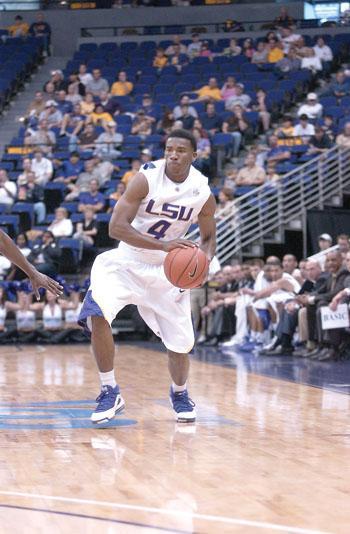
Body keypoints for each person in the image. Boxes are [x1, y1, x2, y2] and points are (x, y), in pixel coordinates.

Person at [78, 129, 216, 424]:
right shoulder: (146, 178)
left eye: (181, 150)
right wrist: (163, 245)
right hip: (127, 260)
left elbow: (208, 239)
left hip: (169, 271)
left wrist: (203, 266)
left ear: (194, 155)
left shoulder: (202, 192)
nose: (173, 154)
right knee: (97, 312)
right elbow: (116, 227)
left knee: (180, 345)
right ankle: (109, 389)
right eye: (169, 149)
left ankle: (179, 393)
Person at [0, 231, 62, 298]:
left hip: (48, 265)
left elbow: (57, 254)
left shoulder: (54, 246)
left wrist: (48, 245)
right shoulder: (38, 247)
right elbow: (30, 258)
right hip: (35, 265)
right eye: (44, 236)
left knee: (38, 267)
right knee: (17, 267)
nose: (45, 238)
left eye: (48, 237)